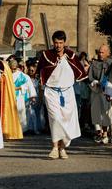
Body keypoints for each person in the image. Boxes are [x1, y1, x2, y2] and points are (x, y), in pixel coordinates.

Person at [37, 30, 88, 159]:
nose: (58, 45)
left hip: (67, 93)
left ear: (64, 43)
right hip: (51, 91)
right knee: (55, 119)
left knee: (67, 120)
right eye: (56, 43)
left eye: (61, 43)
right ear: (53, 43)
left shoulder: (71, 56)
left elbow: (79, 72)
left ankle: (63, 148)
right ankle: (54, 147)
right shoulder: (46, 55)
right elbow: (41, 71)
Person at [88, 44, 112, 144]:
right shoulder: (94, 64)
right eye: (99, 52)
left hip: (106, 91)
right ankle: (98, 132)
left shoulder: (111, 63)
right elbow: (90, 77)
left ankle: (105, 133)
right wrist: (94, 81)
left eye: (103, 52)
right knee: (95, 111)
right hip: (96, 91)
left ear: (108, 53)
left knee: (106, 113)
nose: (100, 54)